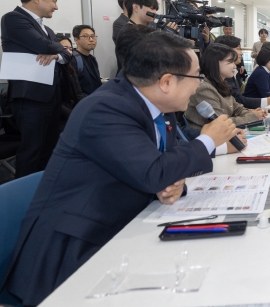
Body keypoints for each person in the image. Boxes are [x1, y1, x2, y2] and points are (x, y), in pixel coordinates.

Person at [2, 33, 238, 306]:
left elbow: (165, 165)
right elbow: (154, 171)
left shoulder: (159, 107)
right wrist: (207, 140)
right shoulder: (106, 109)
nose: (198, 86)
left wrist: (174, 183)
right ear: (166, 82)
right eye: (196, 77)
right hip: (76, 251)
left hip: (125, 228)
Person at [0, 0, 72, 177]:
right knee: (31, 151)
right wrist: (58, 50)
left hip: (52, 96)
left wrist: (57, 55)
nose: (56, 7)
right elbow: (47, 46)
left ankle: (43, 187)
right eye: (53, 1)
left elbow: (66, 55)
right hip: (30, 97)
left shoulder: (47, 29)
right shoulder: (13, 19)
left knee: (49, 149)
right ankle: (24, 192)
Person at [185, 43, 265, 129]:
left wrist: (253, 114)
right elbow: (221, 123)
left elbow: (237, 108)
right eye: (230, 62)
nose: (234, 66)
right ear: (215, 63)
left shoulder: (222, 84)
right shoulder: (204, 88)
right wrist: (252, 117)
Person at [213, 35, 270, 109]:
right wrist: (269, 100)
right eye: (238, 49)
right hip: (250, 107)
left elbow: (235, 103)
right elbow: (237, 101)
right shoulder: (260, 72)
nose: (242, 53)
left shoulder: (233, 73)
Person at [56, 35, 85, 125]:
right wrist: (74, 116)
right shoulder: (52, 70)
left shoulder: (70, 70)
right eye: (65, 48)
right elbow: (56, 103)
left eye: (71, 49)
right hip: (58, 118)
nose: (69, 52)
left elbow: (78, 94)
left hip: (72, 111)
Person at [71, 25, 102, 95]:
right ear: (76, 40)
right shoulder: (73, 60)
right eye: (85, 36)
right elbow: (74, 91)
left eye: (93, 36)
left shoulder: (92, 59)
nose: (91, 39)